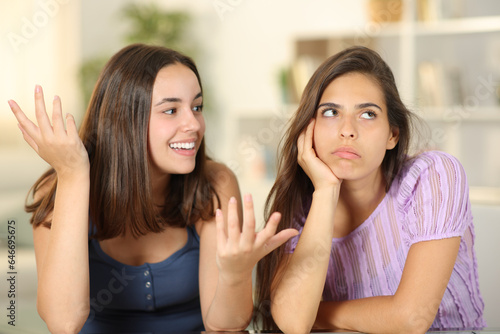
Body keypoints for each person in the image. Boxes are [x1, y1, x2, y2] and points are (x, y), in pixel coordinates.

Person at [9, 43, 297, 334]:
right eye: (171, 110)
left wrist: (235, 275)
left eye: (197, 107)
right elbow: (63, 323)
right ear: (125, 121)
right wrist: (73, 176)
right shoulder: (59, 189)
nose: (194, 124)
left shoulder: (214, 184)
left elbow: (223, 327)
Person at [254, 46, 486, 334]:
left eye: (367, 114)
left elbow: (412, 319)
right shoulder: (300, 211)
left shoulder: (433, 175)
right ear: (307, 130)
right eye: (330, 112)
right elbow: (293, 322)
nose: (347, 130)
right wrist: (326, 191)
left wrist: (318, 313)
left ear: (392, 134)